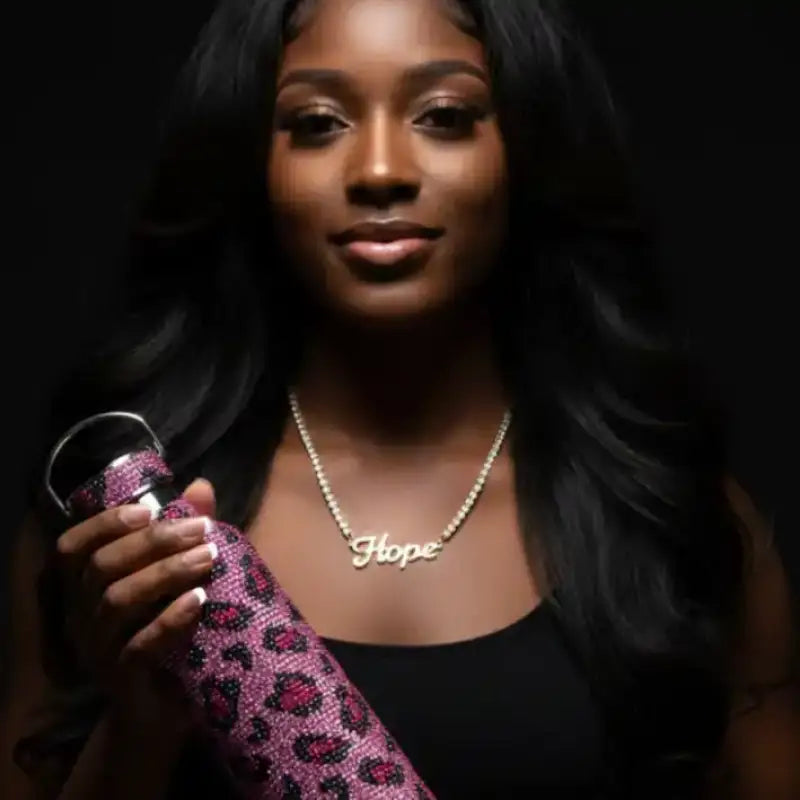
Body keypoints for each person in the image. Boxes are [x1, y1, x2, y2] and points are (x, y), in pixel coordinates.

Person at [1, 0, 798, 797]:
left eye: (444, 115)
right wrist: (136, 730)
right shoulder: (127, 539)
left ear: (527, 148)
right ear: (250, 163)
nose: (380, 169)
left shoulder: (672, 523)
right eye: (317, 123)